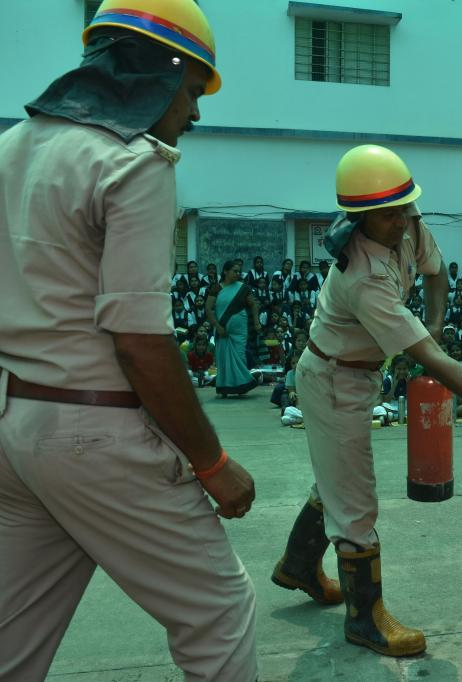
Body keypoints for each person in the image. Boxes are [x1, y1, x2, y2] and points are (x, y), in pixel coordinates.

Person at [0, 2, 259, 680]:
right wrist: (211, 463)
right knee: (218, 613)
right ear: (158, 73)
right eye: (193, 91)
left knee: (13, 636)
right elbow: (141, 343)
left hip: (13, 428)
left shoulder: (8, 149)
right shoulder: (134, 163)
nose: (195, 115)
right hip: (96, 434)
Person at [272, 144, 462, 658]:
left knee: (337, 478)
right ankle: (364, 619)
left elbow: (437, 271)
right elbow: (439, 364)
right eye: (389, 213)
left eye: (405, 207)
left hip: (357, 373)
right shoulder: (363, 276)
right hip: (332, 379)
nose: (402, 220)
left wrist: (435, 324)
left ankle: (298, 565)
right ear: (358, 216)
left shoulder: (407, 221)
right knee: (355, 500)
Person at [206, 261, 261, 397]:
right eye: (234, 271)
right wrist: (217, 326)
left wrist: (256, 322)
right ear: (225, 271)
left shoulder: (243, 288)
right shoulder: (216, 288)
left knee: (239, 356)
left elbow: (254, 305)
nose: (237, 274)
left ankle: (242, 385)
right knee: (223, 357)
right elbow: (208, 308)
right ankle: (224, 387)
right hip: (222, 329)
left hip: (239, 330)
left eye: (238, 271)